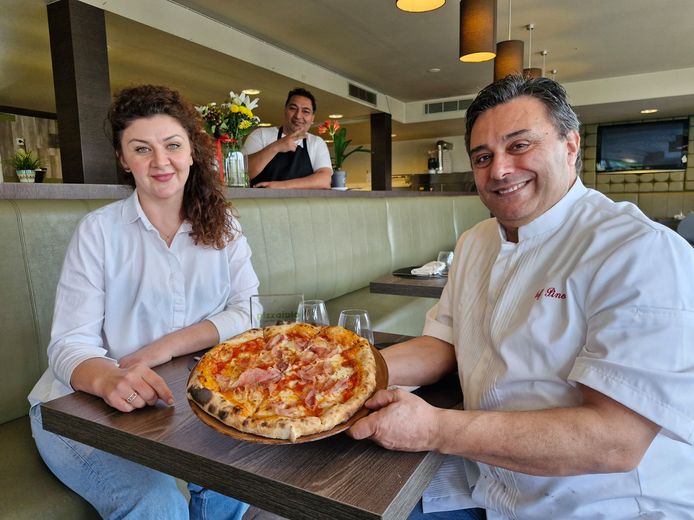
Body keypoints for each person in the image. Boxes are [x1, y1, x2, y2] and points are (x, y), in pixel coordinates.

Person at [349, 75, 694, 519]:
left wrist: (434, 428)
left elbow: (615, 440)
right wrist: (345, 372)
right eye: (483, 156)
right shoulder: (476, 241)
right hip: (486, 482)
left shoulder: (638, 249)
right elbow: (444, 343)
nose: (499, 170)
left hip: (601, 503)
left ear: (570, 145)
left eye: (519, 145)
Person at [28, 85, 260, 520]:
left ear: (192, 151)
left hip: (172, 400)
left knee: (235, 478)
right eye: (141, 149)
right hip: (74, 409)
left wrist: (163, 348)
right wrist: (107, 378)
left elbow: (247, 309)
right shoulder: (98, 232)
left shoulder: (223, 224)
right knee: (158, 504)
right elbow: (68, 345)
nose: (160, 162)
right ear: (123, 158)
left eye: (172, 145)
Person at [242, 87, 332, 189]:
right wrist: (277, 146)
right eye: (293, 108)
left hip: (303, 204)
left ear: (312, 118)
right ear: (285, 110)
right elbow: (243, 175)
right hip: (260, 203)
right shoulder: (261, 135)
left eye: (305, 111)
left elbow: (324, 181)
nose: (298, 116)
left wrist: (281, 186)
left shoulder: (316, 143)